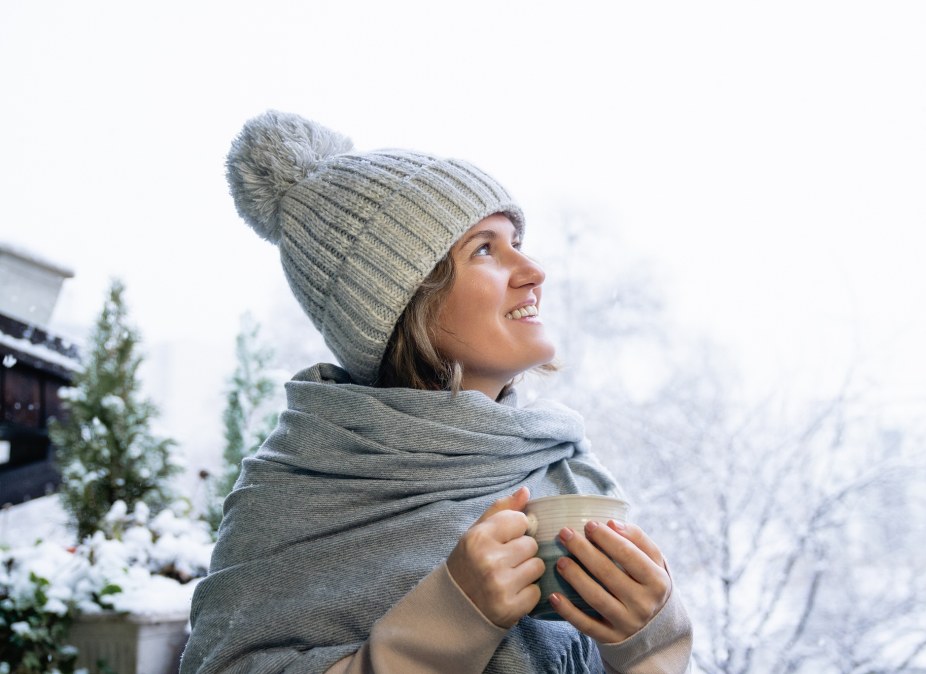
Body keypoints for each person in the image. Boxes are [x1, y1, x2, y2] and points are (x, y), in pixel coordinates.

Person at [180, 110, 693, 674]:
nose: (532, 269)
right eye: (484, 249)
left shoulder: (566, 468)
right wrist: (451, 620)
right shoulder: (296, 495)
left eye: (517, 241)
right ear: (404, 302)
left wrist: (651, 645)